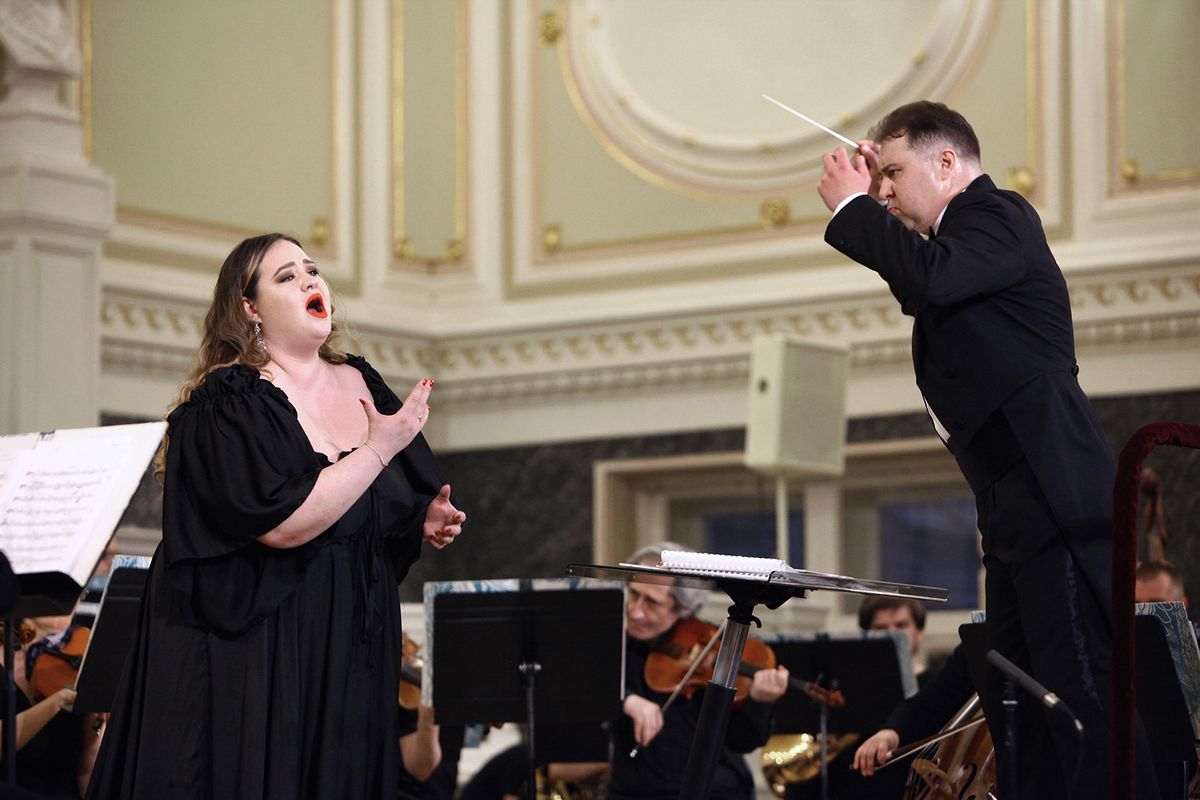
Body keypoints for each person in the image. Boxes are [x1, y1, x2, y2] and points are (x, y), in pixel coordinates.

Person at [817, 101, 1157, 799]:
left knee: (1081, 694)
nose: (884, 189)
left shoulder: (998, 214)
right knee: (1017, 707)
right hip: (1009, 504)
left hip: (1051, 490)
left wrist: (853, 207)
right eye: (880, 177)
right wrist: (875, 199)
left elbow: (929, 278)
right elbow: (924, 281)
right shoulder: (955, 248)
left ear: (947, 163)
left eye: (894, 172)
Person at [85, 233, 465, 800]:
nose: (310, 280)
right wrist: (378, 450)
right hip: (258, 646)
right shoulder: (228, 400)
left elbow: (365, 506)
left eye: (312, 270)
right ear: (249, 308)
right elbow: (283, 523)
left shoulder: (362, 381)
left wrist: (419, 518)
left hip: (350, 640)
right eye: (286, 277)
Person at [612, 543, 789, 800]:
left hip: (714, 791)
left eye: (652, 603)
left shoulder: (718, 647)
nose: (635, 612)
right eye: (634, 594)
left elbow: (743, 741)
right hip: (637, 791)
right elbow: (581, 692)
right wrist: (626, 699)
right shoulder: (614, 643)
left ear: (683, 608)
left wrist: (760, 703)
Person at [858, 596, 930, 686]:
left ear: (919, 631)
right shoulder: (854, 686)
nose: (892, 634)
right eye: (881, 628)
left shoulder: (941, 689)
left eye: (901, 625)